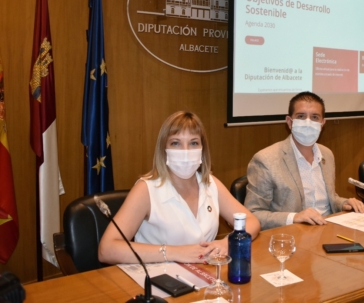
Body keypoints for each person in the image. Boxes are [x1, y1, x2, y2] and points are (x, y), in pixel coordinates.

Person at [98, 111, 260, 264]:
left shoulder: (210, 183)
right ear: (164, 150)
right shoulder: (145, 189)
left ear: (202, 150)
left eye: (193, 143)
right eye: (176, 143)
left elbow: (252, 222)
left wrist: (227, 243)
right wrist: (176, 252)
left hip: (204, 274)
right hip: (157, 279)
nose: (185, 151)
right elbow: (107, 250)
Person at [244, 91, 364, 230]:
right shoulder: (266, 160)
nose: (308, 122)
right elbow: (252, 214)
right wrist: (294, 217)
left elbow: (327, 198)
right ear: (290, 122)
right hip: (292, 236)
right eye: (301, 116)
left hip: (327, 229)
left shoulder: (327, 154)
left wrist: (344, 203)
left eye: (315, 117)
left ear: (322, 123)